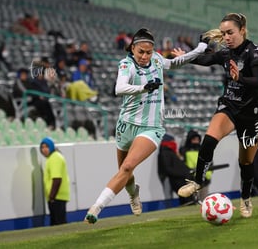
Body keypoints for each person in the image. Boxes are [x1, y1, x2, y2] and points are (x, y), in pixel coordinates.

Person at [84, 28, 208, 224]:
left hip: (151, 127)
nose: (144, 56)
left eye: (148, 52)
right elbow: (119, 88)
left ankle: (96, 208)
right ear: (133, 49)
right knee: (125, 174)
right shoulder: (126, 64)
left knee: (126, 167)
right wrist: (143, 88)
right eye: (140, 52)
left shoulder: (157, 59)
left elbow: (175, 63)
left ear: (153, 51)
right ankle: (134, 193)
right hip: (126, 125)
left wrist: (201, 47)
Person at [177, 13, 258, 219]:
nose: (226, 37)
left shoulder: (255, 53)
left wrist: (240, 77)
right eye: (224, 33)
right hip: (229, 106)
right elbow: (206, 59)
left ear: (242, 30)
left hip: (251, 113)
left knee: (245, 162)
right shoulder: (226, 53)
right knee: (209, 139)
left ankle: (245, 199)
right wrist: (185, 57)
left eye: (230, 33)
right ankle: (197, 181)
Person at [40, 137, 70, 226]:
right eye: (42, 147)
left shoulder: (54, 158)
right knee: (57, 222)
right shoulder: (53, 157)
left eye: (46, 147)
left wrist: (52, 197)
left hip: (57, 197)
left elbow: (57, 179)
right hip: (57, 197)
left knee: (58, 224)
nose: (44, 149)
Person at [158, 134, 194, 205]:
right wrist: (184, 173)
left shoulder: (170, 152)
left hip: (174, 178)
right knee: (169, 196)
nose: (175, 142)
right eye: (173, 141)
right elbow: (168, 168)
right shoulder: (166, 153)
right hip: (170, 178)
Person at [179, 129, 212, 201]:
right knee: (193, 199)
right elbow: (183, 164)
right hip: (191, 179)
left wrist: (207, 176)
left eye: (197, 139)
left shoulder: (203, 149)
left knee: (204, 198)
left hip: (204, 179)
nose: (196, 141)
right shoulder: (184, 150)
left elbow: (209, 163)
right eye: (194, 139)